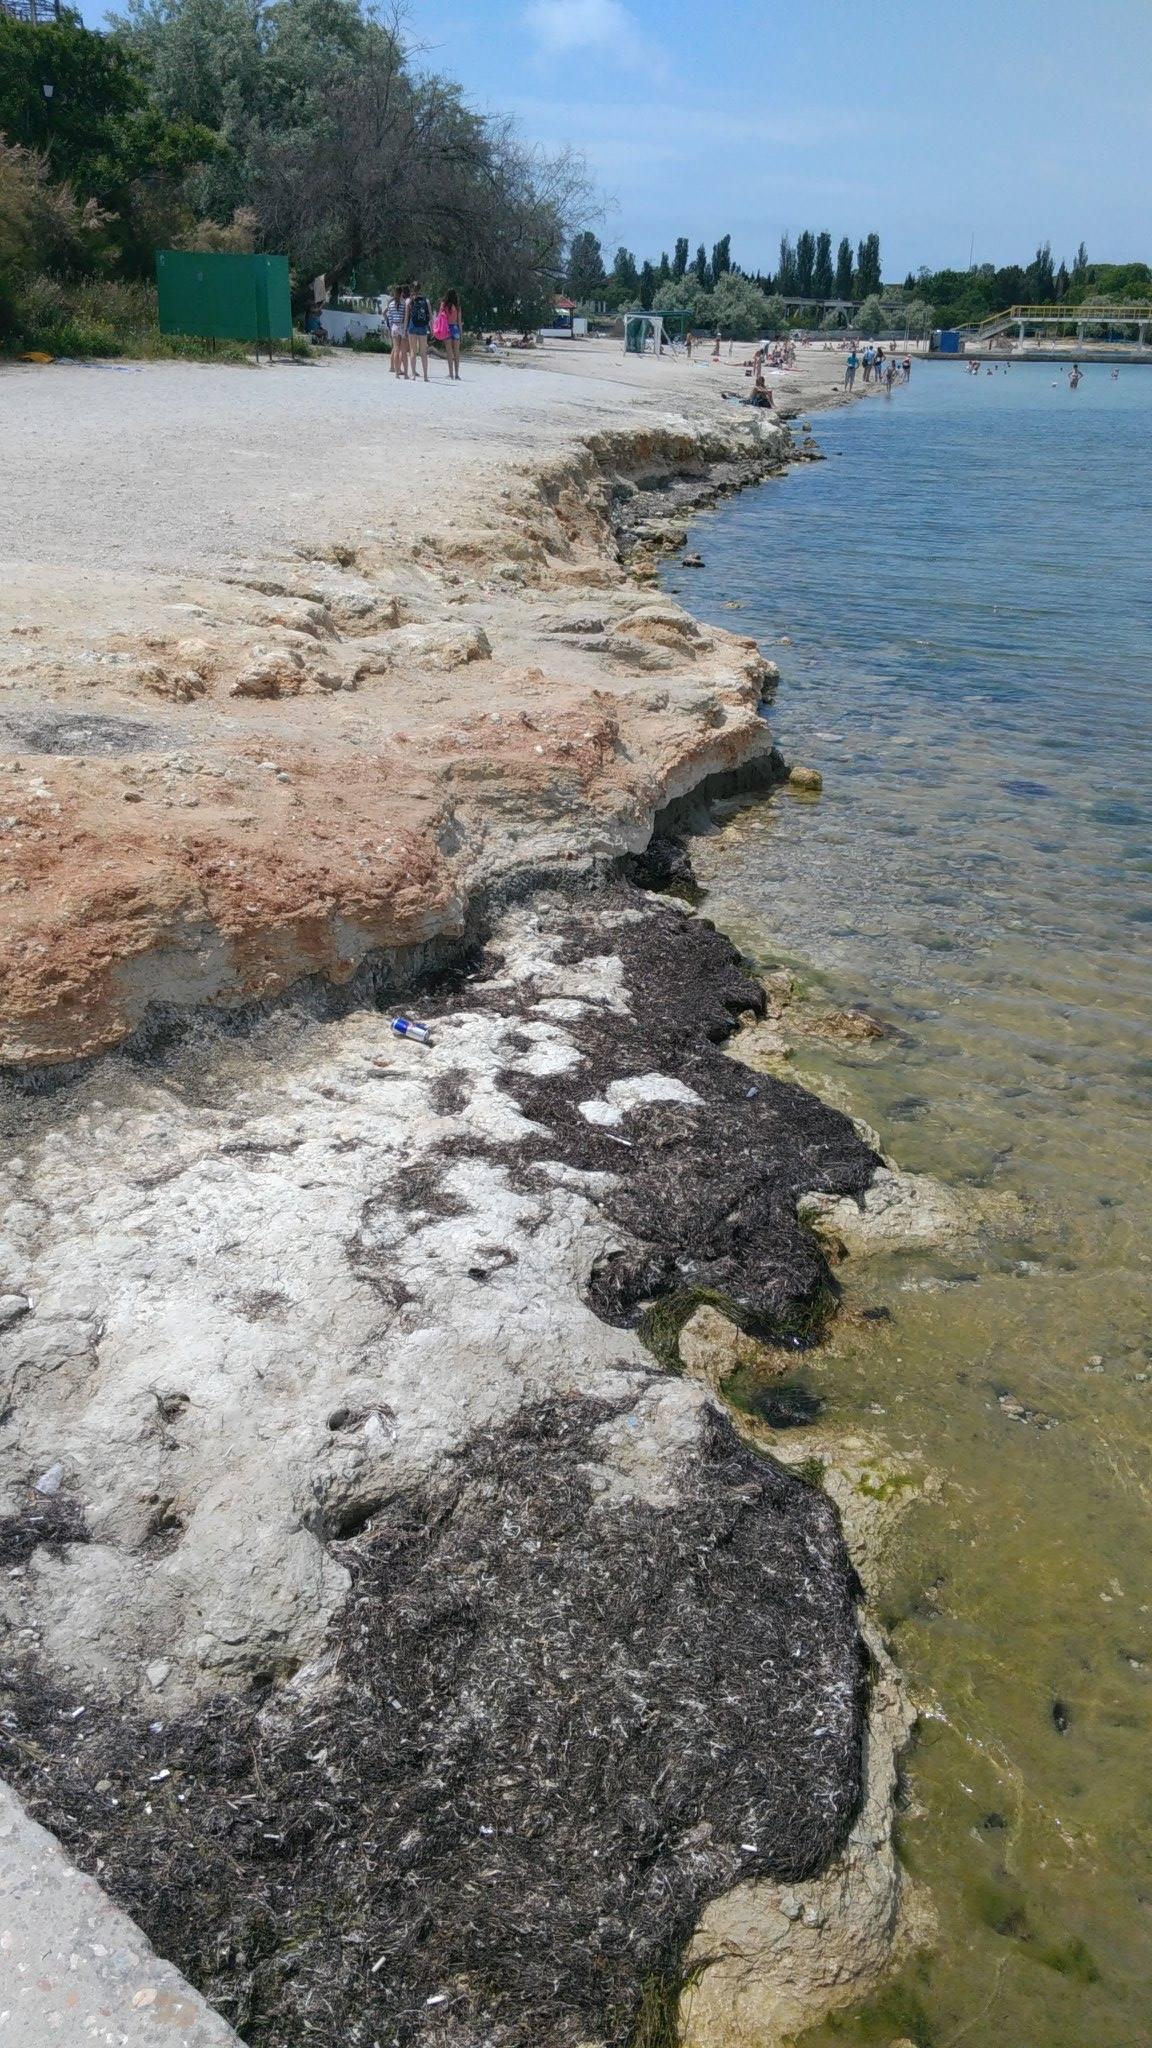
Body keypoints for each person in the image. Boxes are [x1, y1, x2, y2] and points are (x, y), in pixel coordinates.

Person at [405, 279, 432, 383]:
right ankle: (425, 376)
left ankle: (413, 375)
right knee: (423, 352)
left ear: (412, 288)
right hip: (423, 327)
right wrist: (432, 329)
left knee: (413, 351)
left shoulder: (409, 300)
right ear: (420, 288)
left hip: (412, 326)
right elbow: (430, 316)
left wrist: (404, 330)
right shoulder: (426, 300)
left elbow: (407, 318)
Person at [436, 290, 462, 380]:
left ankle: (451, 374)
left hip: (446, 329)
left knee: (449, 353)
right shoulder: (457, 306)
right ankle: (457, 374)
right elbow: (459, 321)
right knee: (457, 352)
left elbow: (440, 316)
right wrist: (461, 334)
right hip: (455, 329)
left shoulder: (444, 304)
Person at [387, 283, 408, 378]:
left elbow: (389, 318)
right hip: (402, 326)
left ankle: (396, 373)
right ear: (401, 293)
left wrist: (392, 327)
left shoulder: (390, 304)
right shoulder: (404, 304)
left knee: (395, 349)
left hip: (394, 326)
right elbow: (405, 317)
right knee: (402, 351)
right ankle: (400, 369)